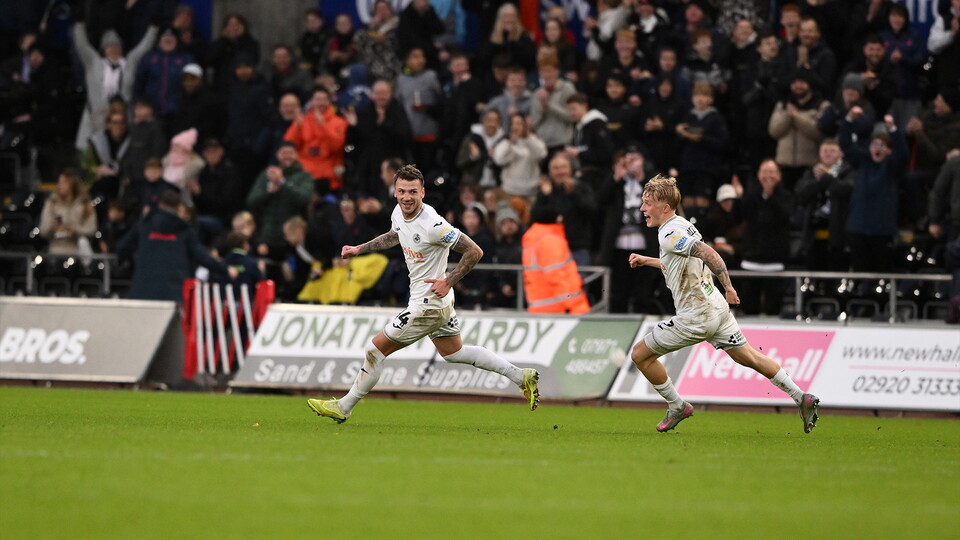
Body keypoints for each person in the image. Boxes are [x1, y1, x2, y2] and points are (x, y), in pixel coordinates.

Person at [307, 164, 540, 422]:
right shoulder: (398, 212)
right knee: (454, 352)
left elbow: (475, 251)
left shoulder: (434, 225)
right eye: (402, 191)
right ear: (394, 192)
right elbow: (395, 236)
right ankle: (520, 376)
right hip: (431, 300)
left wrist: (449, 280)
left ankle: (344, 407)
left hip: (429, 303)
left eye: (413, 192)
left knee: (375, 350)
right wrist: (359, 249)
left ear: (423, 193)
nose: (407, 197)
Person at [627, 174, 820, 433]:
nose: (642, 209)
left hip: (697, 315)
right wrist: (648, 260)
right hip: (717, 309)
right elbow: (681, 262)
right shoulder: (682, 225)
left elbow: (709, 253)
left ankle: (677, 406)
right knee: (749, 356)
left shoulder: (668, 235)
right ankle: (801, 397)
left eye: (647, 203)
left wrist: (728, 286)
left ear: (664, 207)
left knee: (640, 355)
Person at [117, 191, 236, 302]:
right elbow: (202, 256)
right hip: (173, 290)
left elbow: (121, 248)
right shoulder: (184, 230)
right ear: (178, 207)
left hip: (143, 288)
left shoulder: (144, 225)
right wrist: (225, 269)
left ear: (160, 204)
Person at [522, 202, 591, 314]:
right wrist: (576, 307)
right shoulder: (550, 240)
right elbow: (557, 277)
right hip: (558, 310)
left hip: (542, 308)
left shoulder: (535, 239)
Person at [284, 86, 348, 193]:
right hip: (305, 172)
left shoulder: (339, 122)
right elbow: (288, 145)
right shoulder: (302, 120)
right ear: (312, 101)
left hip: (328, 173)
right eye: (317, 99)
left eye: (324, 99)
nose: (320, 103)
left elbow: (337, 147)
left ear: (329, 101)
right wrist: (297, 127)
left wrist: (323, 126)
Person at [38, 168, 98, 255]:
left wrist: (76, 231)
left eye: (64, 183)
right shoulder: (52, 203)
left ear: (72, 184)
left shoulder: (85, 204)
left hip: (78, 250)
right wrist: (51, 227)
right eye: (59, 182)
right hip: (56, 250)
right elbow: (43, 230)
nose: (60, 186)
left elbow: (92, 228)